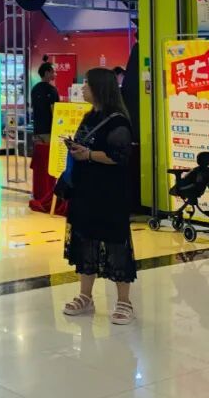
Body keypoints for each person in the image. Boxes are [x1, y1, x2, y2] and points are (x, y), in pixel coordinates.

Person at [62, 67, 137, 325]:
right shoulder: (89, 116)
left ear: (100, 88)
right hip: (85, 190)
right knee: (85, 241)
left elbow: (120, 156)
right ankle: (86, 296)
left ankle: (124, 300)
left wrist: (89, 155)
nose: (82, 88)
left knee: (116, 243)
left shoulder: (118, 121)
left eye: (87, 84)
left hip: (109, 192)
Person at [31, 62, 60, 140]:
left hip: (37, 129)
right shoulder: (52, 90)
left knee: (38, 147)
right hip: (48, 130)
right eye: (53, 72)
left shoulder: (34, 89)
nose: (55, 74)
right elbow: (54, 110)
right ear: (47, 73)